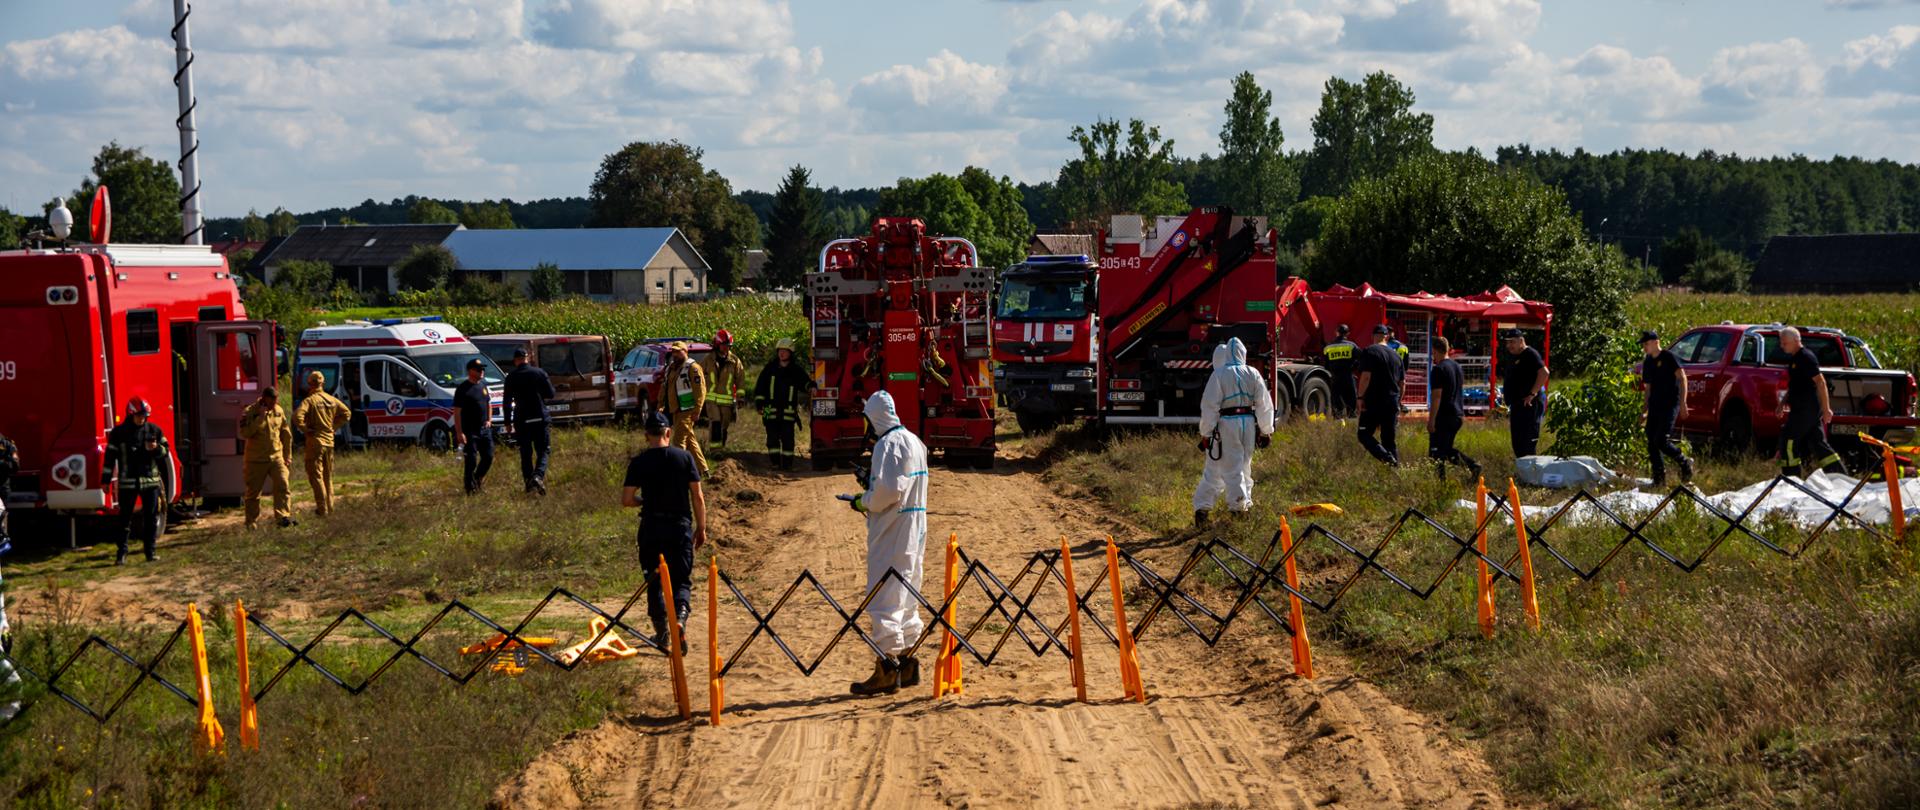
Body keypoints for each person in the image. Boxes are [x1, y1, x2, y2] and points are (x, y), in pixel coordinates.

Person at [843, 391, 929, 696]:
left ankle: (886, 668)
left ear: (874, 417)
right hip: (914, 528)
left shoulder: (887, 444)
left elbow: (888, 492)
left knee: (883, 596)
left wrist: (863, 501)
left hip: (892, 530)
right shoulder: (915, 441)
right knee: (906, 593)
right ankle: (907, 662)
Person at [621, 410, 707, 650]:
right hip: (679, 528)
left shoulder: (639, 462)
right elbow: (697, 496)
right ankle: (679, 619)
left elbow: (627, 499)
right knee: (681, 581)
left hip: (651, 528)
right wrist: (701, 528)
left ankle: (662, 634)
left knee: (654, 580)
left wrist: (644, 502)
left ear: (646, 435)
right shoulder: (685, 458)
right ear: (668, 433)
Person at [1192, 337, 1275, 526]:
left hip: (1226, 423)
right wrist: (1266, 430)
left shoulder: (1219, 375)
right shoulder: (1253, 373)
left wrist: (1206, 433)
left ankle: (1234, 509)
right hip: (1247, 423)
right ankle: (1239, 508)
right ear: (1243, 353)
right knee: (1241, 467)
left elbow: (1210, 406)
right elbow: (1264, 404)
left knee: (1232, 468)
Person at [102, 399, 173, 562]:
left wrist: (156, 448)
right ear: (131, 414)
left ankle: (150, 552)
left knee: (151, 518)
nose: (143, 419)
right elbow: (109, 458)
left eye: (145, 416)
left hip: (151, 483)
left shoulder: (154, 430)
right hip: (128, 483)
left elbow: (165, 452)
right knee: (124, 519)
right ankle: (121, 554)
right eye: (140, 415)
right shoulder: (119, 433)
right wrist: (105, 480)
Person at [1775, 327, 1847, 478]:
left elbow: (1821, 383)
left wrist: (1827, 409)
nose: (1782, 346)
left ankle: (1791, 477)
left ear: (1796, 341)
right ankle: (1840, 476)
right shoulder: (1794, 358)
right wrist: (1782, 403)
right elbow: (1795, 385)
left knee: (1788, 439)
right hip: (1802, 408)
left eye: (1784, 343)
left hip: (1806, 409)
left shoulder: (1806, 358)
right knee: (1818, 443)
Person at [1639, 330, 1693, 486]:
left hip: (1670, 404)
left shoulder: (1669, 357)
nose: (1645, 348)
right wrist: (1644, 410)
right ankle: (1659, 478)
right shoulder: (1648, 361)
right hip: (1655, 404)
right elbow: (1648, 388)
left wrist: (1683, 403)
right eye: (1643, 345)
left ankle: (1684, 462)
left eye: (1647, 344)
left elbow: (1682, 378)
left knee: (1661, 439)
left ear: (1656, 342)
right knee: (1651, 440)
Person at [293, 371, 351, 516]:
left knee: (316, 476)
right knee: (328, 476)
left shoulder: (309, 401)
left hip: (315, 442)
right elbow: (347, 414)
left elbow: (297, 417)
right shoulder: (331, 400)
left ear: (309, 385)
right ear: (323, 384)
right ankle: (330, 507)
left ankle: (322, 509)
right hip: (330, 442)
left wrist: (306, 430)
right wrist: (333, 427)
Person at [502, 348, 557, 495]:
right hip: (540, 417)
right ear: (528, 357)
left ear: (515, 360)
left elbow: (506, 401)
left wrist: (507, 422)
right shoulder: (539, 373)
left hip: (522, 419)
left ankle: (529, 485)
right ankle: (538, 476)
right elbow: (550, 394)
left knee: (525, 454)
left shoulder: (511, 377)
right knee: (543, 450)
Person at [239, 387, 296, 529]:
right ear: (264, 398)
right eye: (271, 402)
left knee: (283, 484)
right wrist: (260, 418)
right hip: (256, 459)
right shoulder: (250, 412)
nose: (273, 405)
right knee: (253, 493)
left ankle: (282, 518)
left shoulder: (278, 411)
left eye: (276, 402)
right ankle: (251, 522)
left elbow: (286, 434)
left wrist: (287, 455)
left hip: (276, 457)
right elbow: (245, 433)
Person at [754, 337, 813, 470]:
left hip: (788, 413)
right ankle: (775, 463)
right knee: (772, 440)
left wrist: (811, 386)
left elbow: (805, 382)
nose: (782, 353)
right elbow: (760, 387)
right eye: (780, 350)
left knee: (788, 441)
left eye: (785, 351)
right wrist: (759, 404)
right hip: (770, 411)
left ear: (790, 353)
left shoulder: (795, 370)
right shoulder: (770, 368)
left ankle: (787, 466)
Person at [1426, 337, 1480, 481]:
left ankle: (1442, 481)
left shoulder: (1438, 369)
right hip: (1457, 414)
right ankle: (1471, 466)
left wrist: (1431, 420)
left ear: (1435, 351)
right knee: (1446, 449)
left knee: (1436, 452)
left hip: (1444, 415)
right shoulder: (1457, 367)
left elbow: (1437, 396)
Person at [1355, 324, 1403, 466]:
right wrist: (1398, 402)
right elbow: (1402, 383)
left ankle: (1386, 458)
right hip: (1392, 401)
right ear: (1386, 336)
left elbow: (1365, 377)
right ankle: (1396, 470)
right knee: (1389, 440)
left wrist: (1360, 397)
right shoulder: (1396, 355)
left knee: (1364, 434)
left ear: (1373, 336)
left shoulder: (1370, 351)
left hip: (1374, 401)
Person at [660, 341, 709, 476]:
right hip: (675, 410)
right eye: (673, 352)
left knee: (678, 441)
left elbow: (700, 390)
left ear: (685, 352)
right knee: (690, 440)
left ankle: (678, 472)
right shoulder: (671, 368)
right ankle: (704, 470)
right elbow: (664, 388)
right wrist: (660, 405)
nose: (675, 354)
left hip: (688, 410)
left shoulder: (692, 368)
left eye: (678, 351)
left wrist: (697, 410)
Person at [1500, 328, 1549, 458]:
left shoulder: (1530, 354)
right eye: (1507, 342)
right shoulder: (1513, 356)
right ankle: (1523, 472)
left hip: (1529, 405)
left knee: (1527, 442)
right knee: (1517, 442)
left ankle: (1531, 474)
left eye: (1512, 342)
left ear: (1521, 341)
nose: (1509, 345)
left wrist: (1532, 394)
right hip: (1517, 405)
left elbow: (1544, 373)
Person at [453, 358, 494, 495]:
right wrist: (459, 433)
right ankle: (470, 489)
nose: (481, 371)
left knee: (488, 457)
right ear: (470, 371)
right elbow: (457, 412)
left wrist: (489, 419)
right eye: (478, 369)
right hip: (469, 431)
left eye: (482, 369)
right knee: (471, 461)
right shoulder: (462, 389)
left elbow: (488, 403)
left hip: (484, 429)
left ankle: (477, 479)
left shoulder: (482, 385)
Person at [701, 330, 747, 447]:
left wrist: (740, 397)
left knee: (723, 426)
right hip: (711, 400)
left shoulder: (734, 361)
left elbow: (740, 379)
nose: (726, 348)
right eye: (724, 345)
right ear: (717, 344)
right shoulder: (708, 360)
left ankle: (721, 446)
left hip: (727, 401)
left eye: (728, 346)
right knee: (715, 422)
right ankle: (715, 450)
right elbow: (699, 376)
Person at [1321, 324, 1359, 419]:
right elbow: (1361, 359)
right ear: (1348, 333)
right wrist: (1354, 367)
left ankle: (1338, 425)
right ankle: (1351, 425)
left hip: (1335, 379)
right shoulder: (1352, 346)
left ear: (1336, 333)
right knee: (1351, 404)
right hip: (1348, 378)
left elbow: (1325, 365)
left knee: (1337, 404)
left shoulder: (1328, 347)